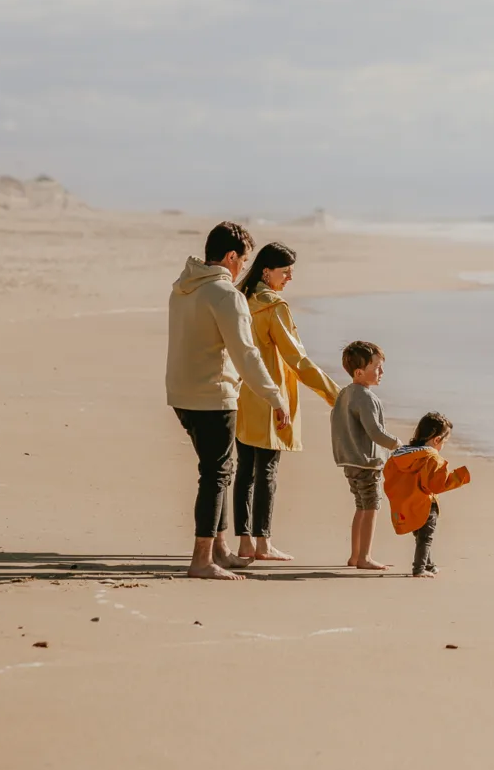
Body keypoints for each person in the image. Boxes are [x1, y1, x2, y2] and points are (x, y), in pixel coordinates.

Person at [166, 221, 288, 581]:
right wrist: (274, 396)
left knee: (218, 470)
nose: (243, 267)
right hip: (212, 395)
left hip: (181, 393)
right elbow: (246, 354)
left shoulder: (183, 288)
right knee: (216, 474)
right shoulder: (225, 294)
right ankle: (201, 559)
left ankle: (219, 549)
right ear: (231, 256)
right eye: (244, 259)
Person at [234, 242, 341, 562]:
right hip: (270, 398)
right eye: (286, 271)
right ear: (267, 271)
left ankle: (244, 543)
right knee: (266, 471)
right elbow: (298, 359)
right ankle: (263, 544)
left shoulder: (241, 300)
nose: (290, 277)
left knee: (244, 471)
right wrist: (335, 393)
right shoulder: (274, 307)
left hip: (241, 394)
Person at [330, 340, 398, 570]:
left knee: (360, 506)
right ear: (359, 372)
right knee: (371, 508)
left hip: (349, 460)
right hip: (367, 463)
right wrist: (395, 444)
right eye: (377, 367)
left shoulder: (345, 393)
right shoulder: (366, 397)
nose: (382, 372)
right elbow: (375, 432)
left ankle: (355, 555)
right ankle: (364, 557)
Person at [383, 412, 470, 577]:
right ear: (437, 440)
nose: (443, 445)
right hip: (425, 505)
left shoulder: (402, 454)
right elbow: (436, 485)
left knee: (421, 537)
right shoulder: (431, 458)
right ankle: (419, 569)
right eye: (444, 441)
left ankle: (428, 565)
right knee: (425, 538)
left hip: (408, 503)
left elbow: (390, 475)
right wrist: (459, 477)